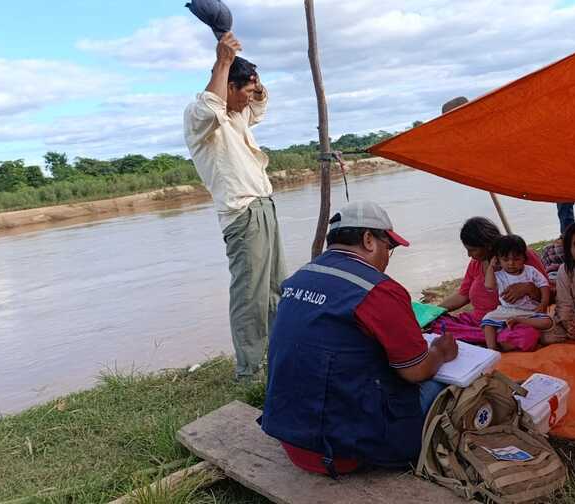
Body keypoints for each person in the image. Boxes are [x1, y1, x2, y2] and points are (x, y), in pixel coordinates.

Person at [261, 201, 458, 476]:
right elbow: (416, 371)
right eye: (389, 248)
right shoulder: (377, 289)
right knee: (442, 385)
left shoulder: (298, 279)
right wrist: (439, 352)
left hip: (291, 439)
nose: (388, 257)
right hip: (344, 453)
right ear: (368, 240)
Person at [183, 32, 285, 381]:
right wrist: (224, 61)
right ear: (228, 87)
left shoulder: (237, 114)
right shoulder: (201, 119)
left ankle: (276, 354)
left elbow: (259, 103)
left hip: (263, 207)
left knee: (274, 288)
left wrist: (251, 75)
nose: (249, 99)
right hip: (243, 216)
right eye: (243, 91)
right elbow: (211, 104)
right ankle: (249, 369)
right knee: (250, 295)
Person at [437, 217, 547, 352]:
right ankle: (484, 339)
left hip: (512, 322)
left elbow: (550, 292)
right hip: (480, 323)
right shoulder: (476, 263)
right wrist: (435, 311)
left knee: (526, 335)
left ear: (487, 245)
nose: (468, 255)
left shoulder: (522, 256)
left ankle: (482, 341)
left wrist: (528, 288)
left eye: (472, 250)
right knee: (438, 324)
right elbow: (463, 295)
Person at [481, 235, 552, 351]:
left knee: (547, 322)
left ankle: (519, 321)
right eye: (505, 259)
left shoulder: (530, 271)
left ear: (524, 258)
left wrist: (543, 303)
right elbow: (489, 285)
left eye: (516, 259)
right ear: (498, 260)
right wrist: (490, 267)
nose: (511, 263)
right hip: (506, 311)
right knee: (487, 320)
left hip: (530, 311)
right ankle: (492, 348)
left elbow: (544, 285)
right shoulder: (499, 275)